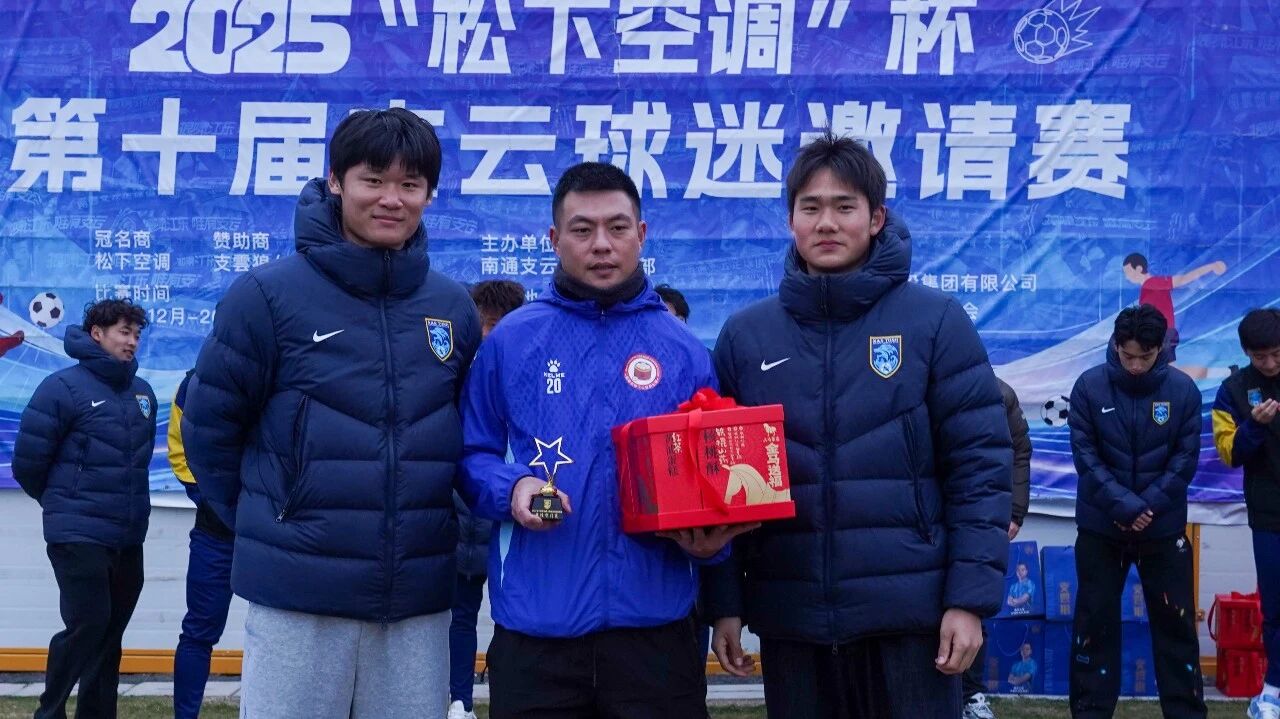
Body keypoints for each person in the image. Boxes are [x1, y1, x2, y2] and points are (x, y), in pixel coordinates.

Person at [700, 130, 1012, 718]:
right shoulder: (747, 336)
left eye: (844, 207)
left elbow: (981, 471)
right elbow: (721, 486)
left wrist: (968, 601)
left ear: (876, 218)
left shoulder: (935, 322)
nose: (827, 223)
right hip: (793, 621)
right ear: (790, 220)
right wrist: (726, 604)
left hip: (911, 622)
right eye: (811, 208)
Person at [182, 107, 480, 719]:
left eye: (410, 184)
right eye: (373, 180)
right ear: (337, 181)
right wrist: (278, 521)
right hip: (298, 597)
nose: (391, 199)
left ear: (429, 194)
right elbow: (210, 432)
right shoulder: (267, 295)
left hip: (416, 600)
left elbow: (468, 437)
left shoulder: (451, 307)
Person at [460, 161, 751, 718]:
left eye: (617, 228)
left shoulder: (683, 351)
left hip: (656, 634)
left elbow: (715, 482)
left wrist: (713, 553)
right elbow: (472, 454)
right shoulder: (511, 341)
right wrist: (513, 488)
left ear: (641, 234)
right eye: (582, 229)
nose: (601, 244)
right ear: (554, 239)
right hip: (537, 633)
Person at [12, 299, 157, 719]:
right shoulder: (62, 387)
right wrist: (65, 504)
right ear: (97, 334)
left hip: (127, 535)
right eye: (123, 332)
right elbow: (28, 464)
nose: (131, 341)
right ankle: (49, 711)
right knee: (88, 623)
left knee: (110, 635)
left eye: (136, 334)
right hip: (77, 533)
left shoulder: (143, 393)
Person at [1068, 304, 1206, 719]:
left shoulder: (1183, 391)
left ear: (1160, 348)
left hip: (1162, 530)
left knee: (1176, 629)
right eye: (1127, 355)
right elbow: (1085, 457)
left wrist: (1146, 508)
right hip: (1101, 528)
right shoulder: (1089, 387)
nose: (1135, 365)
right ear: (1115, 345)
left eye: (1144, 357)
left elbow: (1185, 460)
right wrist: (1122, 505)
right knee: (1094, 627)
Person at [447, 280, 525, 719]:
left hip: (512, 524)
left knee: (509, 619)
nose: (493, 334)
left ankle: (508, 698)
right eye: (487, 325)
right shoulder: (454, 372)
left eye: (502, 324)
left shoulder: (532, 372)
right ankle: (459, 701)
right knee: (460, 615)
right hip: (461, 520)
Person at [1212, 308, 1280, 719]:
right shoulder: (1233, 391)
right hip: (1269, 514)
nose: (1270, 364)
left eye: (1277, 354)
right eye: (1260, 357)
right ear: (1246, 353)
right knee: (1275, 607)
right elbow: (1229, 453)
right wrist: (1254, 426)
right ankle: (1272, 690)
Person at [963, 376, 1033, 719]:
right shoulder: (919, 383)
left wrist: (1015, 511)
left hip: (981, 519)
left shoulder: (1000, 394)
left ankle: (970, 695)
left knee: (973, 605)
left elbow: (1020, 451)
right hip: (932, 519)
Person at [169, 368, 235, 719]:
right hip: (215, 534)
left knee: (289, 632)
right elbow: (179, 450)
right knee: (199, 632)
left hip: (271, 537)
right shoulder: (194, 382)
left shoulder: (282, 372)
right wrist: (210, 500)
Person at [1121, 253, 1226, 379]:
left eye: (1128, 272)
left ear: (1138, 268)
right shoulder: (1147, 286)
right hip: (1159, 335)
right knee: (1167, 371)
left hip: (1163, 334)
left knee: (1170, 372)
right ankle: (1224, 372)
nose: (1127, 277)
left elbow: (1183, 279)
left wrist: (1212, 266)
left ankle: (1224, 372)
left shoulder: (1152, 283)